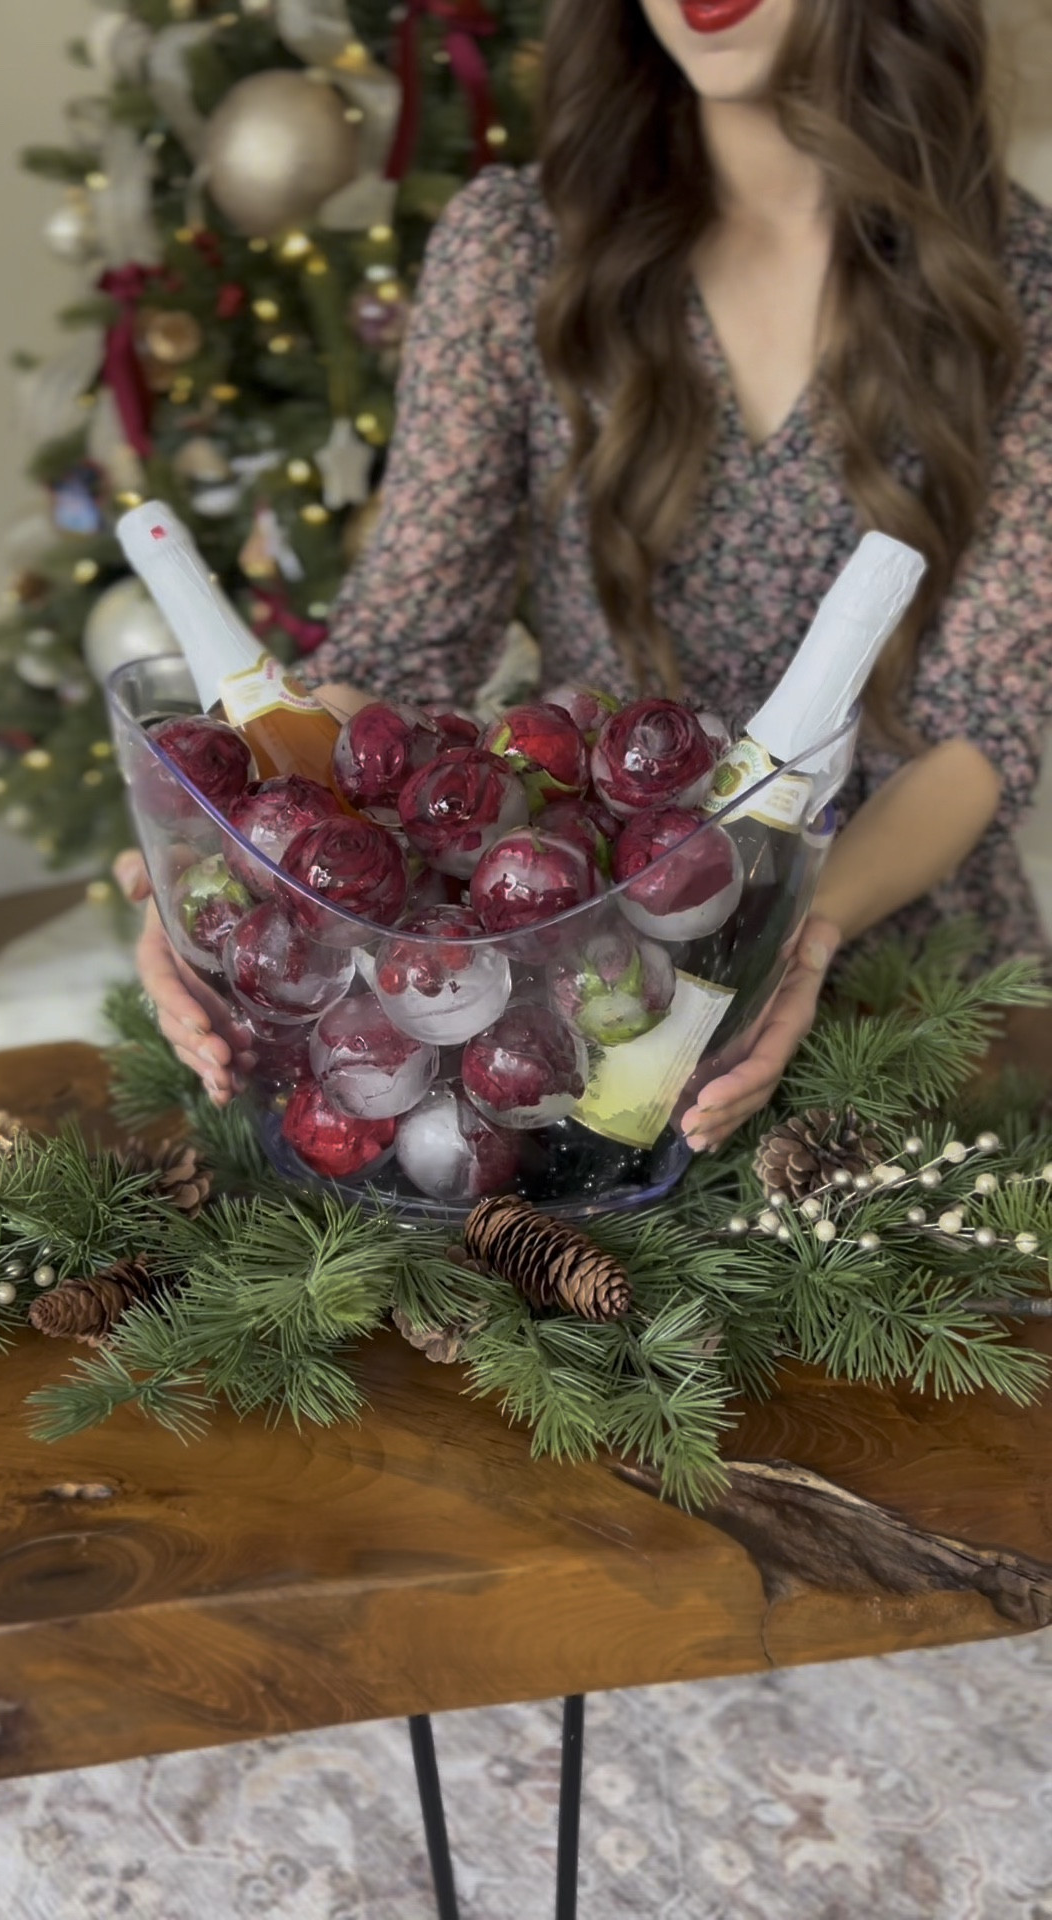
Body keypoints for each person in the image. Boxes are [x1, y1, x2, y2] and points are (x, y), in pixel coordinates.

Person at [118, 0, 1052, 1149]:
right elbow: (402, 651)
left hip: (910, 976)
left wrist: (799, 942)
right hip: (597, 984)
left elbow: (980, 731)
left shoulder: (1020, 280)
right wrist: (230, 861)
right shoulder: (517, 245)